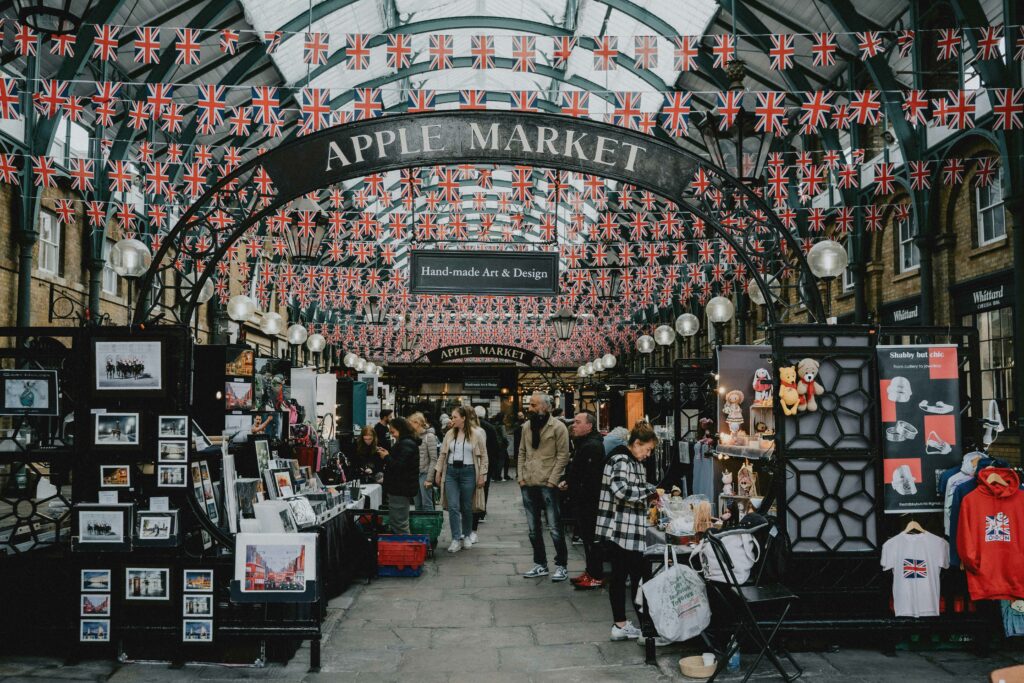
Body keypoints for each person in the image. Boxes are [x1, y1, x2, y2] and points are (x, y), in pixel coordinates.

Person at [595, 422, 658, 641]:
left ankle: (622, 625)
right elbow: (621, 490)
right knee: (636, 576)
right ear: (636, 443)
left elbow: (635, 489)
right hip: (621, 530)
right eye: (647, 449)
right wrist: (649, 492)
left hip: (627, 529)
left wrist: (649, 493)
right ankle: (644, 630)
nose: (648, 454)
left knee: (622, 577)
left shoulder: (633, 461)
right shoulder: (621, 459)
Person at [518, 392, 571, 582]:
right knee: (533, 529)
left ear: (545, 407)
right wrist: (521, 478)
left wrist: (552, 481)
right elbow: (521, 452)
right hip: (529, 482)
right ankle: (540, 564)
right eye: (530, 405)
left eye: (533, 405)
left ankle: (561, 565)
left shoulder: (558, 427)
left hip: (548, 483)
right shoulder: (526, 427)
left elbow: (563, 456)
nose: (529, 408)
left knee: (555, 527)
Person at [434, 406, 488, 553]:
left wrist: (482, 474)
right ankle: (456, 538)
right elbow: (442, 455)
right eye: (452, 417)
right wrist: (438, 472)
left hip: (469, 472)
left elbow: (484, 456)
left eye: (455, 417)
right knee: (453, 506)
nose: (452, 420)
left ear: (463, 418)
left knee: (466, 506)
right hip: (451, 472)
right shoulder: (449, 434)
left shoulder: (477, 434)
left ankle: (468, 534)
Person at [565, 411, 607, 589]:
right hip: (584, 500)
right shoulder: (585, 444)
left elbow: (589, 477)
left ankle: (595, 575)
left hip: (589, 502)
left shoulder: (592, 446)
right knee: (588, 539)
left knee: (591, 539)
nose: (573, 425)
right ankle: (590, 572)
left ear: (589, 426)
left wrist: (572, 485)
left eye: (577, 422)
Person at [381, 417, 420, 534]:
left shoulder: (406, 444)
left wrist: (386, 456)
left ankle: (404, 549)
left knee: (399, 524)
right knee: (398, 522)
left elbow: (399, 466)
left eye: (393, 432)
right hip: (400, 487)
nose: (392, 435)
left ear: (401, 429)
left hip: (400, 488)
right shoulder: (406, 443)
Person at [408, 412, 438, 512]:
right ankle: (419, 526)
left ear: (418, 423)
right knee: (417, 505)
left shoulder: (429, 436)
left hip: (425, 474)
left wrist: (429, 479)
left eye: (411, 423)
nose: (410, 426)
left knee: (427, 504)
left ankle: (430, 527)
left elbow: (434, 459)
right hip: (415, 474)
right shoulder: (413, 437)